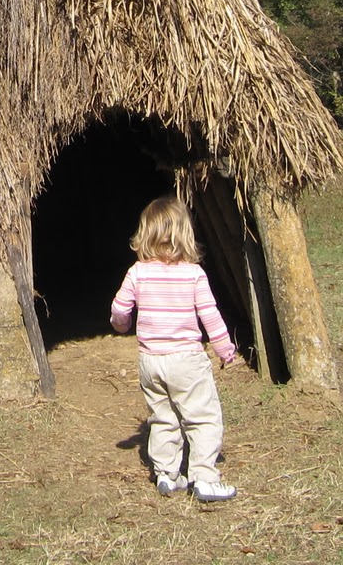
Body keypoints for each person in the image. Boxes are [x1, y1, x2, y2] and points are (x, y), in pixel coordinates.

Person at [110, 195, 239, 502]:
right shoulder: (193, 274)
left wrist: (121, 324)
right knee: (202, 416)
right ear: (185, 234)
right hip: (187, 360)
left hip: (151, 361)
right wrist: (224, 348)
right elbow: (210, 315)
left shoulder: (137, 272)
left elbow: (119, 308)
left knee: (163, 416)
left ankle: (167, 474)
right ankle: (205, 477)